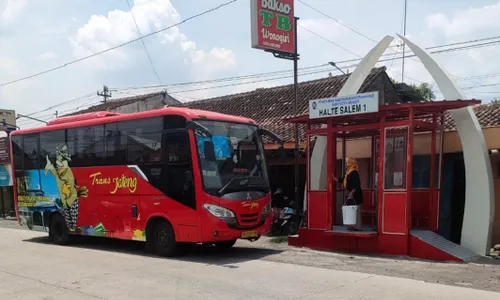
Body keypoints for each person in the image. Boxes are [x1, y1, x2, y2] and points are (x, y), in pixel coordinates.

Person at [333, 157, 363, 231]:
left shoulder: (354, 172)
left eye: (346, 163)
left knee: (356, 210)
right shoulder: (348, 172)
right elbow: (343, 180)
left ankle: (357, 226)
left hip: (356, 194)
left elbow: (357, 184)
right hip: (350, 194)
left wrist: (352, 192)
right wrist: (334, 179)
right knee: (350, 210)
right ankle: (351, 225)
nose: (346, 164)